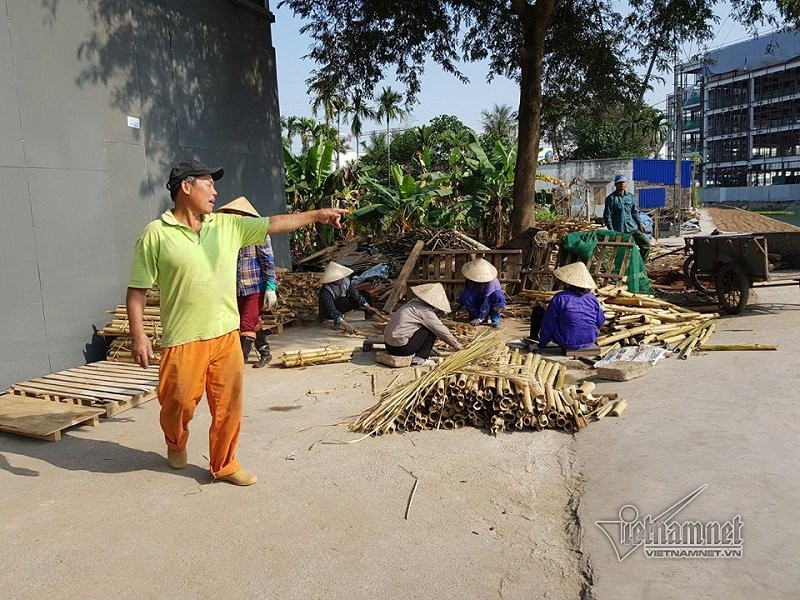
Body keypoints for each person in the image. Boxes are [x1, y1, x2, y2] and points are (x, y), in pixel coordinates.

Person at [127, 159, 347, 486]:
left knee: (229, 405)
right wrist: (138, 335)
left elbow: (275, 223)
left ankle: (225, 464)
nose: (215, 191)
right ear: (186, 187)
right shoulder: (156, 235)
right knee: (178, 402)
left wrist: (317, 215)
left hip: (226, 335)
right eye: (208, 183)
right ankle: (175, 440)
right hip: (183, 338)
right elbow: (137, 290)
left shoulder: (227, 226)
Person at [218, 196, 276, 369]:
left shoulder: (258, 232)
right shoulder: (228, 235)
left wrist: (270, 287)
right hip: (236, 287)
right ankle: (265, 351)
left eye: (233, 214)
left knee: (245, 324)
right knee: (250, 321)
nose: (230, 217)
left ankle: (238, 363)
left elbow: (267, 260)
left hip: (255, 286)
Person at [530, 262, 605, 351]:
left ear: (568, 283)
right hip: (589, 341)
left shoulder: (560, 298)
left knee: (538, 311)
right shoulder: (592, 299)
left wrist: (542, 344)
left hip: (565, 341)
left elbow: (549, 324)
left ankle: (533, 339)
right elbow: (600, 322)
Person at [384, 283, 462, 366]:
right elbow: (441, 331)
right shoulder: (425, 312)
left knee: (424, 327)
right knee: (431, 330)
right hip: (400, 349)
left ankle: (421, 352)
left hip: (388, 345)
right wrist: (457, 345)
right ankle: (421, 358)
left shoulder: (412, 304)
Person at [318, 261, 376, 334]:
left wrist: (368, 307)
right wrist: (344, 323)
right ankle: (338, 321)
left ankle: (369, 315)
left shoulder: (345, 282)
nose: (341, 278)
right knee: (342, 302)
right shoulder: (326, 291)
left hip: (340, 305)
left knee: (365, 294)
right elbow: (331, 309)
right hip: (328, 313)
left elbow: (355, 294)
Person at [604, 174, 650, 260]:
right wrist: (611, 230)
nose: (622, 184)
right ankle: (619, 270)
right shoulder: (611, 198)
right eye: (619, 182)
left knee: (646, 244)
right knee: (621, 251)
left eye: (623, 182)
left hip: (632, 228)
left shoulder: (630, 197)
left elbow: (634, 212)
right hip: (619, 230)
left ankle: (639, 264)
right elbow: (607, 215)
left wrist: (640, 224)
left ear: (626, 184)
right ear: (615, 184)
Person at [458, 258, 506, 327]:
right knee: (465, 295)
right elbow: (467, 292)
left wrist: (480, 318)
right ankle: (476, 315)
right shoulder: (470, 279)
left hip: (490, 304)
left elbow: (487, 300)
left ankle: (495, 317)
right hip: (478, 303)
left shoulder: (492, 282)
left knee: (498, 296)